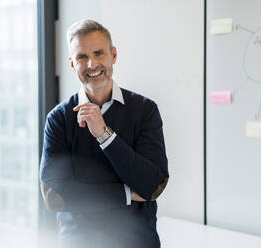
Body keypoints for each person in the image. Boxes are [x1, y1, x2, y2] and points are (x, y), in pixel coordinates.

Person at [40, 19, 169, 248]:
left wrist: (104, 135)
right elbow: (55, 197)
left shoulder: (145, 110)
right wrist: (127, 193)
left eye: (99, 53)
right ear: (72, 63)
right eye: (82, 57)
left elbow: (153, 185)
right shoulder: (58, 119)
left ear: (113, 55)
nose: (92, 64)